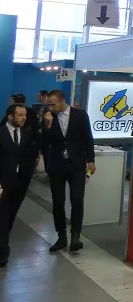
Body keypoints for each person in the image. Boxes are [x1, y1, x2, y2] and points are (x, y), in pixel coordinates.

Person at [43, 89, 95, 253]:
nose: (50, 108)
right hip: (57, 165)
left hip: (76, 164)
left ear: (62, 101)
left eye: (53, 104)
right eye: (49, 105)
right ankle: (61, 237)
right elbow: (44, 142)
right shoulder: (48, 117)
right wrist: (47, 125)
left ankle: (75, 237)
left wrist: (91, 160)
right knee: (58, 201)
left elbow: (88, 138)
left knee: (77, 199)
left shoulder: (80, 115)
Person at [0, 103, 40, 267]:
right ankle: (3, 250)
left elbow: (32, 153)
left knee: (11, 214)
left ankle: (3, 241)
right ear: (10, 117)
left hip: (21, 181)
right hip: (2, 182)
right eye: (21, 115)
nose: (24, 118)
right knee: (2, 214)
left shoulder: (27, 134)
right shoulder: (1, 133)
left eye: (25, 115)